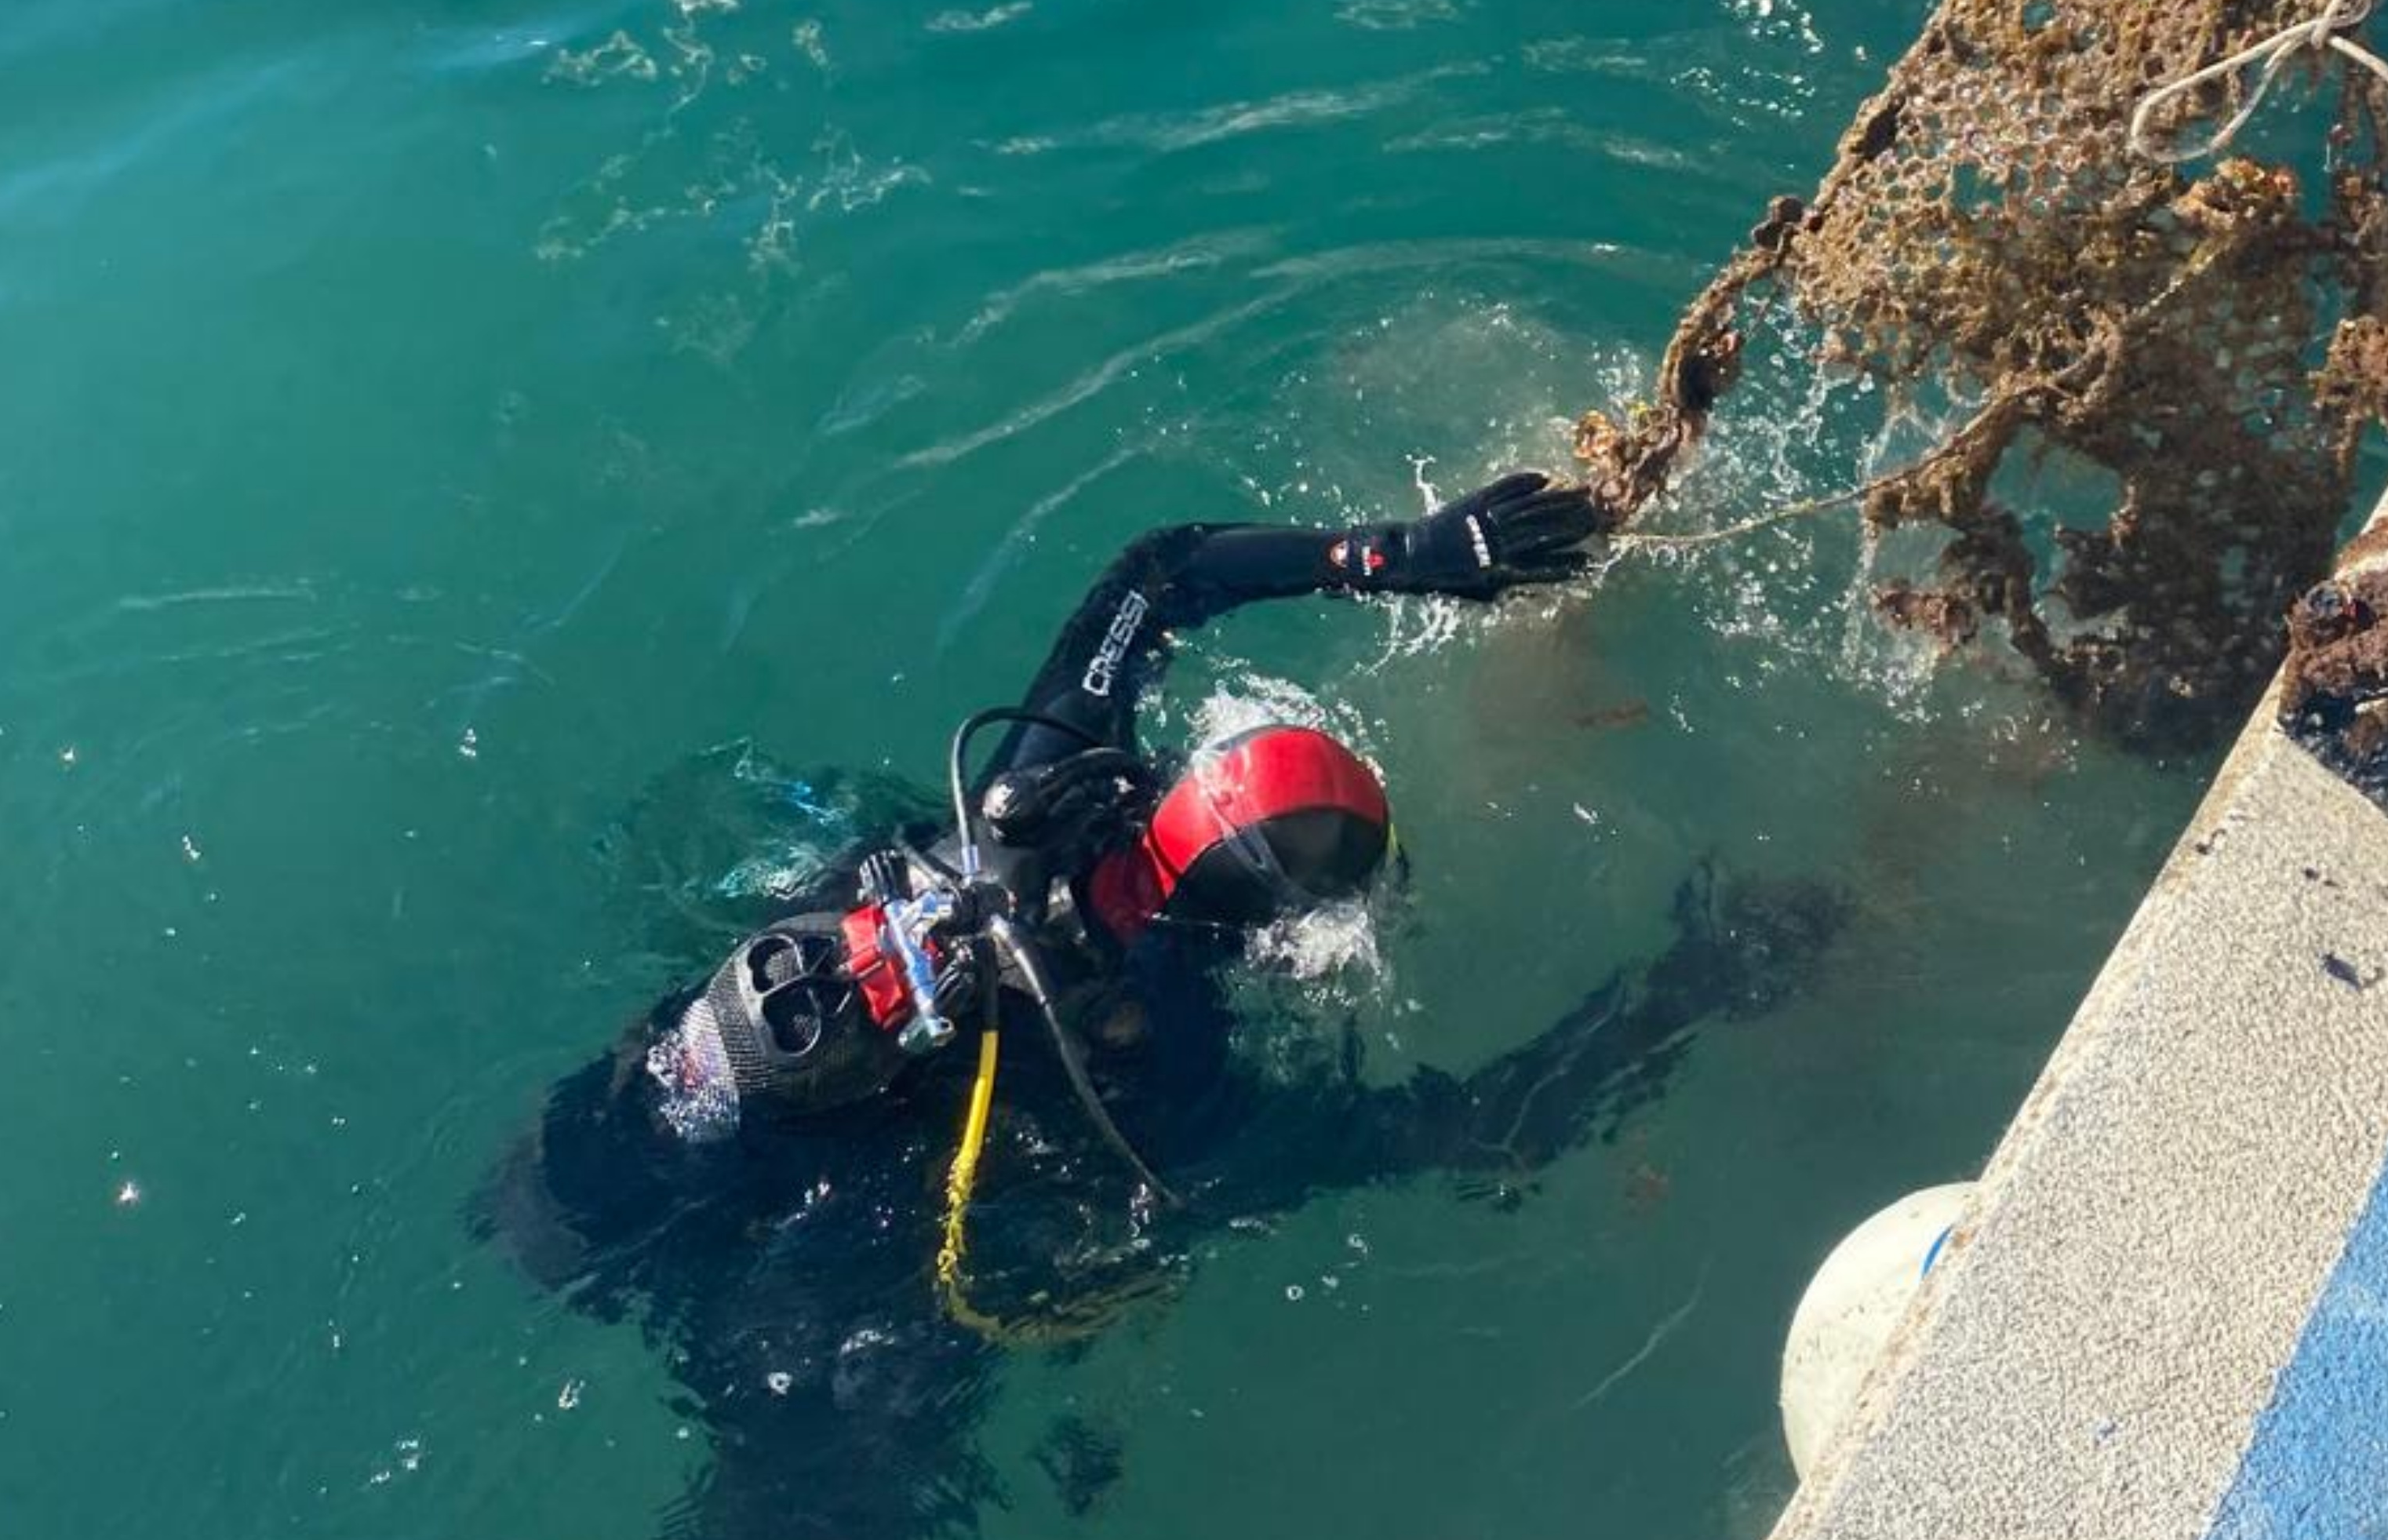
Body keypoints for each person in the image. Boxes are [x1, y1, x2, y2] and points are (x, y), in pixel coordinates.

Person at [478, 472, 1843, 1540]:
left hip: (637, 1137)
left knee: (541, 1216)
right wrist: (1698, 982)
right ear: (1279, 930)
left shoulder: (1043, 784)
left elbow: (1164, 571)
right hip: (840, 1264)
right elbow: (1494, 1129)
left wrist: (1398, 553)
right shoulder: (1178, 1083)